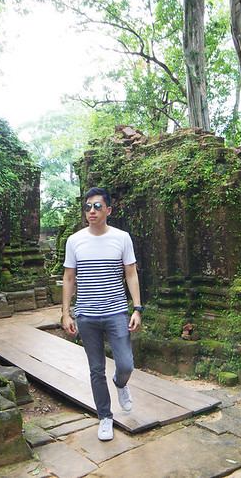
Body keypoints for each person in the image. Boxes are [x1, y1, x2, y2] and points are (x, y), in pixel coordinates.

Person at [62, 187, 144, 441]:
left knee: (126, 364)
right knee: (96, 369)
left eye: (97, 206)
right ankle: (105, 417)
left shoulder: (121, 238)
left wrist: (137, 308)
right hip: (86, 314)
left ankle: (120, 383)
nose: (92, 211)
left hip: (117, 311)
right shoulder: (75, 241)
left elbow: (130, 273)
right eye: (88, 207)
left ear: (109, 210)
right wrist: (66, 313)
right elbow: (68, 278)